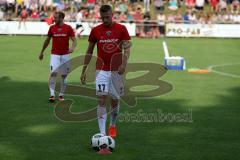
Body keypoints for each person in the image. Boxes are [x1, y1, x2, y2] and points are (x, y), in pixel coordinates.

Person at [80, 5, 131, 138]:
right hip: (101, 70)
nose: (105, 20)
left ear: (112, 14)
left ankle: (112, 124)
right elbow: (89, 50)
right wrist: (84, 69)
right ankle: (102, 134)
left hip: (116, 71)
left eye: (107, 17)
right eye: (103, 18)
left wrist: (124, 64)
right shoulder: (96, 30)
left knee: (115, 101)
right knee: (101, 100)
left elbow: (127, 48)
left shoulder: (121, 29)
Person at [38, 11, 77, 102]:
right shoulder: (52, 28)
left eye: (56, 18)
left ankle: (61, 95)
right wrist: (42, 52)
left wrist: (72, 47)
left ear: (61, 18)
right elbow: (47, 41)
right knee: (53, 74)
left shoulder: (68, 28)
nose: (54, 19)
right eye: (54, 17)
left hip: (65, 55)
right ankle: (52, 95)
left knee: (64, 76)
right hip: (54, 55)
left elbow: (74, 40)